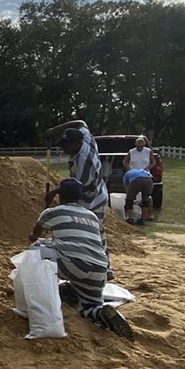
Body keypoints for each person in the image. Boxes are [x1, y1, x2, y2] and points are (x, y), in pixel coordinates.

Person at [29, 178, 134, 339]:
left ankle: (43, 295)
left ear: (61, 195)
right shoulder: (92, 216)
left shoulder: (52, 212)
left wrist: (48, 206)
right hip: (99, 269)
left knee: (34, 250)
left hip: (73, 264)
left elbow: (34, 236)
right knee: (90, 306)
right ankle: (102, 314)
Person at [45, 119, 113, 279]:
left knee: (90, 234)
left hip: (91, 199)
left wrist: (54, 193)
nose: (64, 150)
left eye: (66, 147)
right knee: (98, 233)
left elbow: (75, 190)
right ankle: (106, 268)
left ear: (77, 143)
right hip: (96, 192)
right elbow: (81, 122)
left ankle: (98, 268)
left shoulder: (84, 163)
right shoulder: (85, 136)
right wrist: (56, 127)